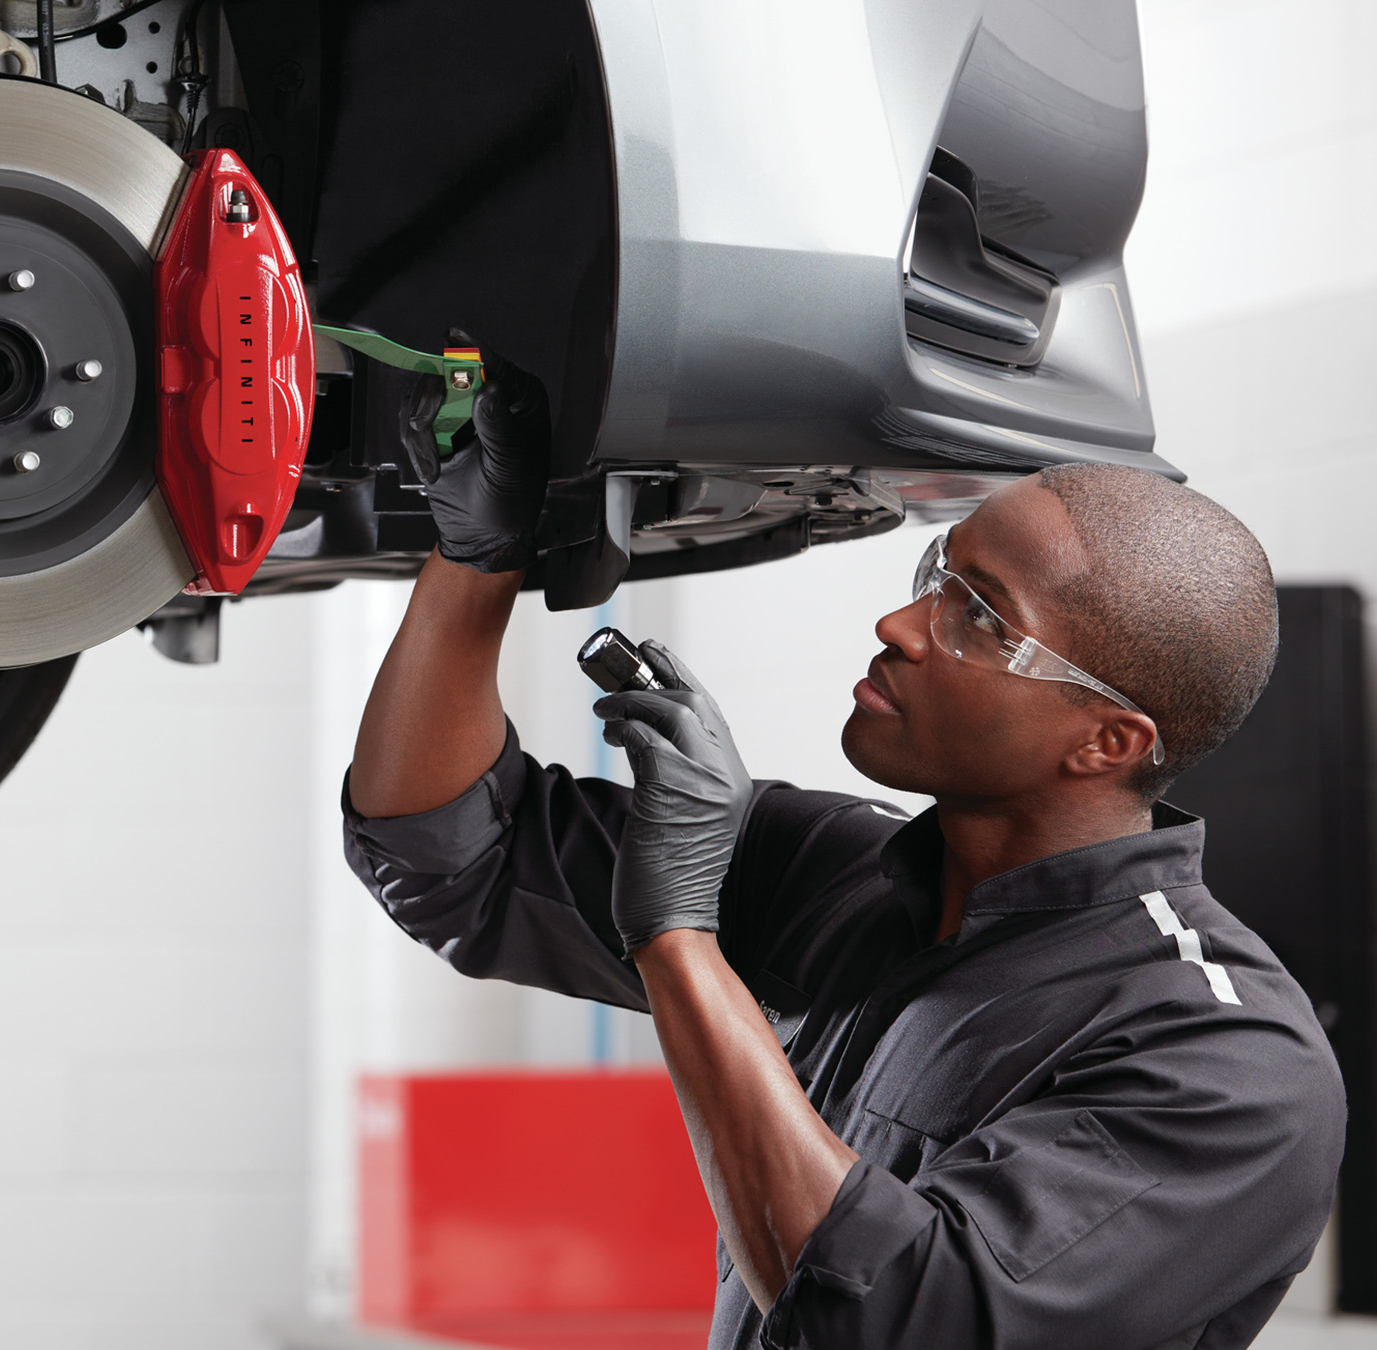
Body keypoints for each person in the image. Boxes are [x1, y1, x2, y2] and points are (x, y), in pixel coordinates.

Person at [342, 344, 1346, 1349]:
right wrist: (478, 566)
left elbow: (882, 1320)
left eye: (980, 618)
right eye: (934, 577)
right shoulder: (843, 872)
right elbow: (446, 855)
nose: (900, 624)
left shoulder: (1224, 1061)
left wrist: (680, 940)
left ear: (1107, 741)